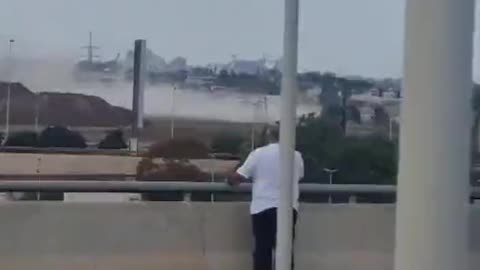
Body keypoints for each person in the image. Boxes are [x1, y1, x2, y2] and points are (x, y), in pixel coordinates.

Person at [228, 127, 304, 270]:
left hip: (262, 207)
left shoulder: (258, 154)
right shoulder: (296, 156)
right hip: (288, 208)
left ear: (269, 136)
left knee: (263, 248)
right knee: (286, 251)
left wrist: (228, 178)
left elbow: (238, 178)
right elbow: (299, 176)